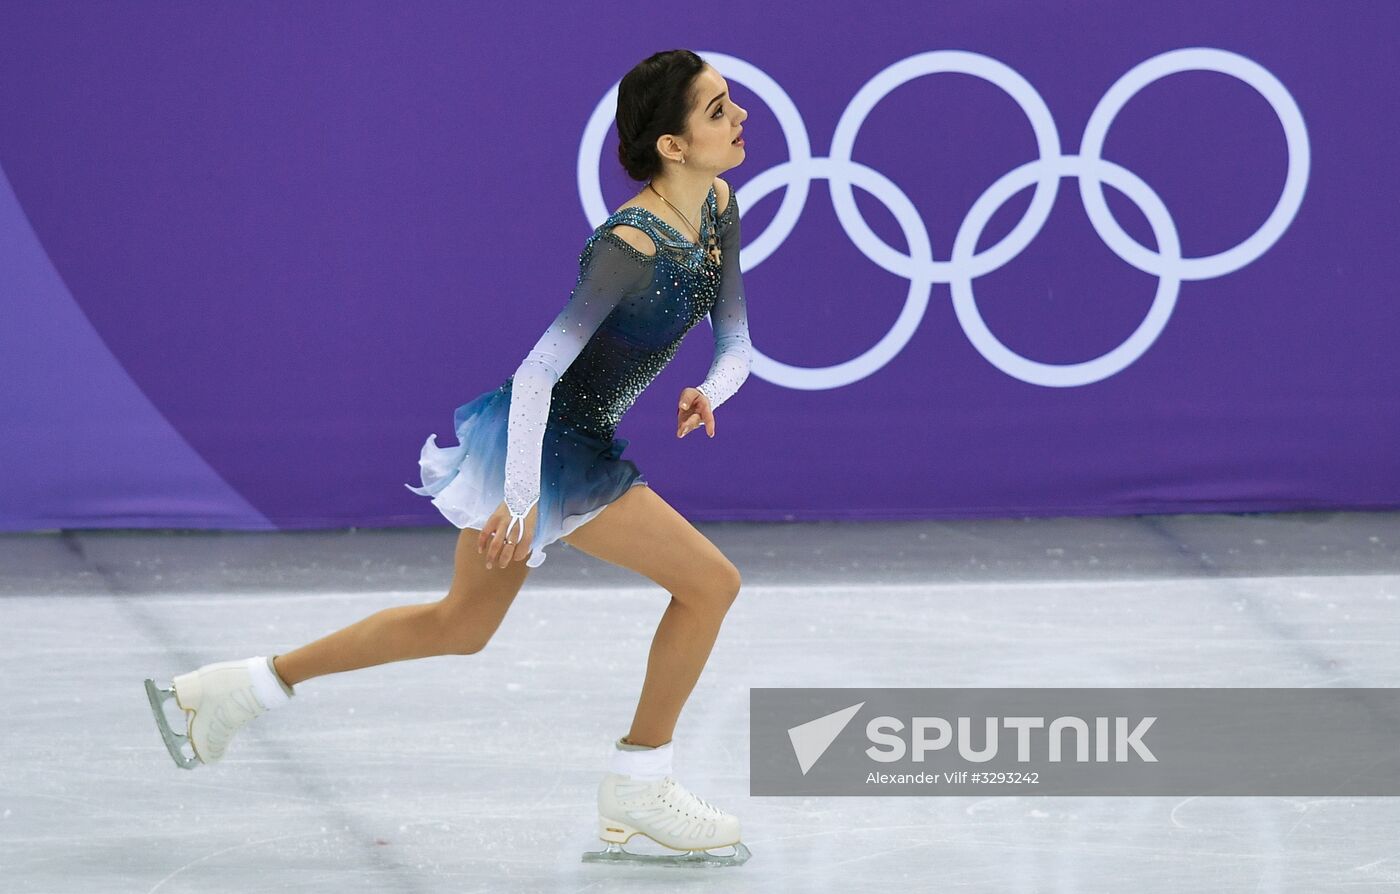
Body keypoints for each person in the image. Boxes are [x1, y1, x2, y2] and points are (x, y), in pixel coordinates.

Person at [143, 49, 754, 867]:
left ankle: (235, 688)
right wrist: (518, 498)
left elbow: (739, 341)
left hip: (565, 443)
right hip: (542, 445)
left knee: (459, 625)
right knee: (710, 582)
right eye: (717, 110)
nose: (739, 117)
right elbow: (540, 371)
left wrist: (712, 389)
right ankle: (639, 785)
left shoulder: (717, 205)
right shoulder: (629, 246)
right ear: (671, 146)